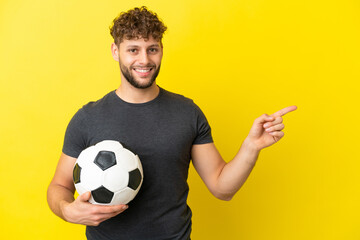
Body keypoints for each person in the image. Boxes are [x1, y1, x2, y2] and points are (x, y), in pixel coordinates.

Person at [47, 6, 297, 240]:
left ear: (161, 50)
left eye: (152, 49)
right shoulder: (88, 118)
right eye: (133, 49)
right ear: (116, 51)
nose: (144, 60)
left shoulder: (187, 112)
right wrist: (67, 210)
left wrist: (251, 147)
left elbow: (222, 188)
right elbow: (59, 186)